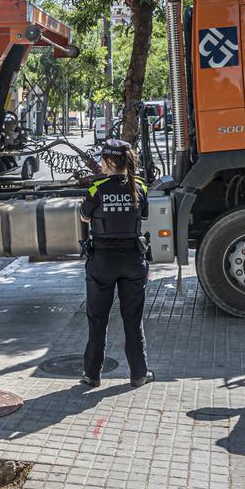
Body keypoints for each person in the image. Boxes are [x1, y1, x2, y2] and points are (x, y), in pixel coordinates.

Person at [79, 139, 152, 388]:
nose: (100, 163)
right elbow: (143, 215)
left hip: (103, 262)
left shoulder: (96, 189)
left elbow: (84, 216)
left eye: (102, 159)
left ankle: (92, 375)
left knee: (97, 319)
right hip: (133, 260)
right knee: (133, 319)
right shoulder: (139, 186)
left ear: (110, 162)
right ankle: (139, 374)